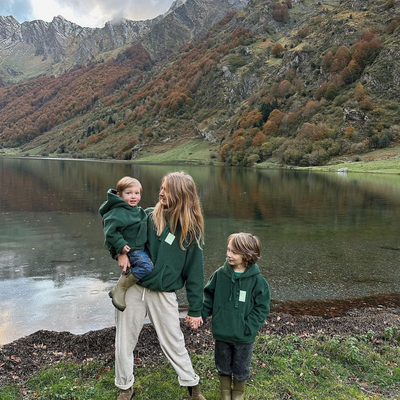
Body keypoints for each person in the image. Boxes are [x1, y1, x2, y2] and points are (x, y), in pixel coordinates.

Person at [114, 171, 207, 400]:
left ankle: (192, 386)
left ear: (181, 194)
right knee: (124, 339)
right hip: (134, 286)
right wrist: (117, 252)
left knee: (174, 340)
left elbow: (195, 273)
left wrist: (195, 310)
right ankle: (125, 387)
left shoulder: (191, 231)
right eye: (162, 187)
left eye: (167, 189)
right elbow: (117, 233)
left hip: (163, 293)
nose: (161, 192)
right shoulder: (146, 216)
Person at [200, 233, 270, 400]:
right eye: (228, 250)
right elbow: (208, 297)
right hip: (222, 332)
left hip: (243, 337)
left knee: (241, 368)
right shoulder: (219, 275)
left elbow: (262, 308)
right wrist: (200, 315)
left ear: (247, 256)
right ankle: (225, 394)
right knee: (223, 366)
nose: (228, 254)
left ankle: (238, 394)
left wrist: (249, 327)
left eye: (233, 252)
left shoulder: (258, 281)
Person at [99, 176, 154, 312]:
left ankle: (125, 284)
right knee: (147, 267)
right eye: (128, 193)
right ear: (119, 195)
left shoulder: (138, 211)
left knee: (146, 265)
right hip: (131, 250)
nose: (133, 196)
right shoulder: (118, 212)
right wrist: (121, 246)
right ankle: (121, 287)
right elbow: (110, 232)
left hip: (139, 248)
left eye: (137, 193)